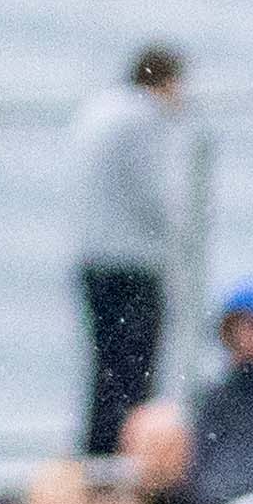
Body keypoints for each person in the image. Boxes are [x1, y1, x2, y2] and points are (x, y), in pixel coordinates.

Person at [70, 46, 186, 454]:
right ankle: (124, 454)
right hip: (133, 263)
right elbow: (151, 193)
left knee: (105, 369)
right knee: (133, 373)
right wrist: (180, 233)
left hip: (95, 259)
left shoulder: (98, 111)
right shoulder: (142, 116)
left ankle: (101, 452)